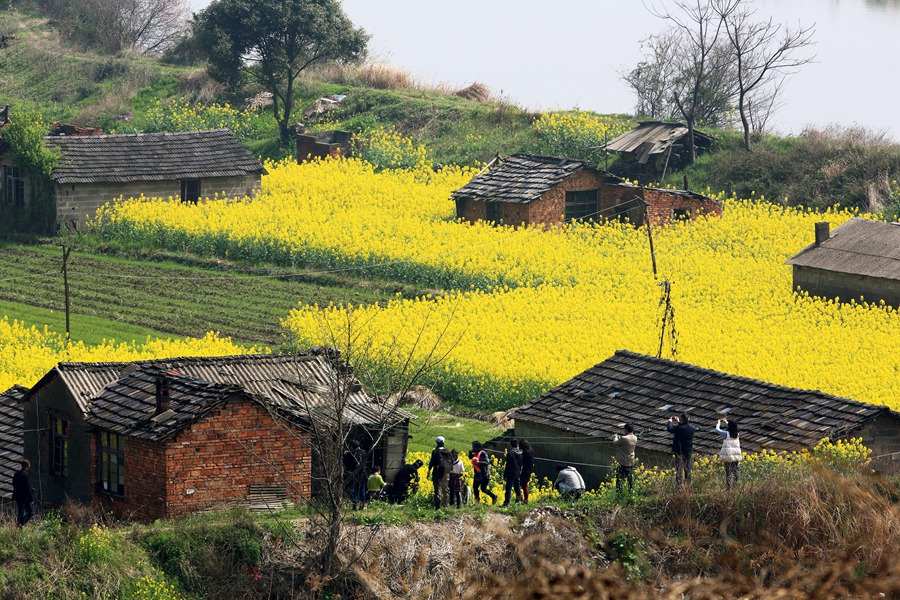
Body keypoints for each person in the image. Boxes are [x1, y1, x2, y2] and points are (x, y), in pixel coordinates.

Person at [667, 413, 696, 487]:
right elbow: (684, 427)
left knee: (679, 468)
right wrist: (679, 422)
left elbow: (670, 429)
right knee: (687, 467)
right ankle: (688, 484)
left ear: (682, 420)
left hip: (679, 450)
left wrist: (669, 422)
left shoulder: (679, 428)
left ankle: (679, 485)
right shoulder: (692, 428)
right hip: (688, 451)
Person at [716, 418, 742, 489]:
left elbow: (717, 430)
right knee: (735, 471)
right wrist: (726, 422)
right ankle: (735, 486)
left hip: (728, 455)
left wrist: (718, 424)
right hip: (736, 455)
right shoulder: (737, 434)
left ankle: (728, 487)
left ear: (729, 427)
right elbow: (733, 426)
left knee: (728, 471)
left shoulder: (726, 434)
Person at [612, 423, 638, 495]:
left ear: (626, 430)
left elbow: (615, 443)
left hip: (623, 462)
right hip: (631, 461)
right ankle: (631, 492)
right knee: (630, 479)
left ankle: (619, 493)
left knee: (620, 480)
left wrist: (616, 437)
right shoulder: (635, 438)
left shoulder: (624, 438)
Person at [427, 436, 452, 509]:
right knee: (445, 488)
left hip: (437, 472)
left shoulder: (435, 451)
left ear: (436, 443)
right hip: (446, 472)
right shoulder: (448, 451)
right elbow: (452, 461)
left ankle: (438, 507)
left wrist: (428, 471)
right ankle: (446, 505)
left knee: (437, 489)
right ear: (443, 442)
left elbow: (432, 462)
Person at [469, 441, 497, 505]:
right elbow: (470, 457)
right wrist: (470, 452)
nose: (472, 447)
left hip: (484, 474)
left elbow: (487, 462)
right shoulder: (475, 453)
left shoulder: (483, 453)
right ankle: (477, 502)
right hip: (478, 474)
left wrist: (478, 462)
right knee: (475, 487)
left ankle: (493, 496)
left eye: (473, 446)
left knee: (483, 489)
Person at [342, 440, 368, 510]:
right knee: (362, 489)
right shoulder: (364, 452)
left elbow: (346, 462)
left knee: (354, 489)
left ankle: (354, 505)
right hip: (363, 473)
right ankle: (362, 505)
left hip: (354, 474)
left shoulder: (351, 453)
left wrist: (345, 454)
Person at [501, 439, 523, 507]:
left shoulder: (510, 453)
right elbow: (521, 463)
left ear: (511, 445)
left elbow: (508, 465)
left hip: (511, 473)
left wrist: (505, 475)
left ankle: (506, 503)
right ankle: (518, 502)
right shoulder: (521, 453)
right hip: (518, 473)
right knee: (517, 488)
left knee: (508, 489)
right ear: (517, 445)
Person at [12, 459, 34, 527]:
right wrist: (31, 499)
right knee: (31, 513)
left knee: (21, 512)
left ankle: (19, 525)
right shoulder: (25, 475)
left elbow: (14, 484)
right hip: (25, 498)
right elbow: (27, 488)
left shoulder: (17, 474)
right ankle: (20, 523)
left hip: (18, 497)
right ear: (28, 466)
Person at [519, 439, 535, 504]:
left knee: (517, 485)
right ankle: (526, 500)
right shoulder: (531, 451)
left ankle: (521, 499)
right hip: (528, 470)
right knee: (525, 486)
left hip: (523, 471)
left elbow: (521, 462)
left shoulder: (525, 453)